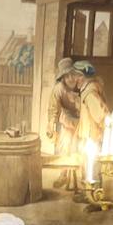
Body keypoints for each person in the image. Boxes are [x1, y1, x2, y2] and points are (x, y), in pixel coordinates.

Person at [46, 57, 81, 188]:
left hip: (83, 122)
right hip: (67, 121)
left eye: (72, 75)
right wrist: (51, 125)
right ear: (63, 78)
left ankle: (81, 179)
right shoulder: (59, 89)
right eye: (67, 76)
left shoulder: (82, 85)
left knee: (80, 149)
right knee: (64, 145)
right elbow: (53, 108)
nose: (71, 79)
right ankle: (63, 175)